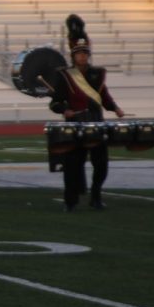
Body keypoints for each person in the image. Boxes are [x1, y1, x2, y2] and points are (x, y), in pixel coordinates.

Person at [48, 14, 125, 211]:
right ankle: (70, 201)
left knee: (101, 164)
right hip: (75, 126)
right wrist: (65, 110)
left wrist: (114, 108)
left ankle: (96, 196)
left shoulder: (97, 74)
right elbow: (55, 103)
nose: (82, 56)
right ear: (73, 55)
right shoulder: (64, 76)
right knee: (72, 165)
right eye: (79, 53)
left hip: (97, 124)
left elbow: (104, 96)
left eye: (85, 53)